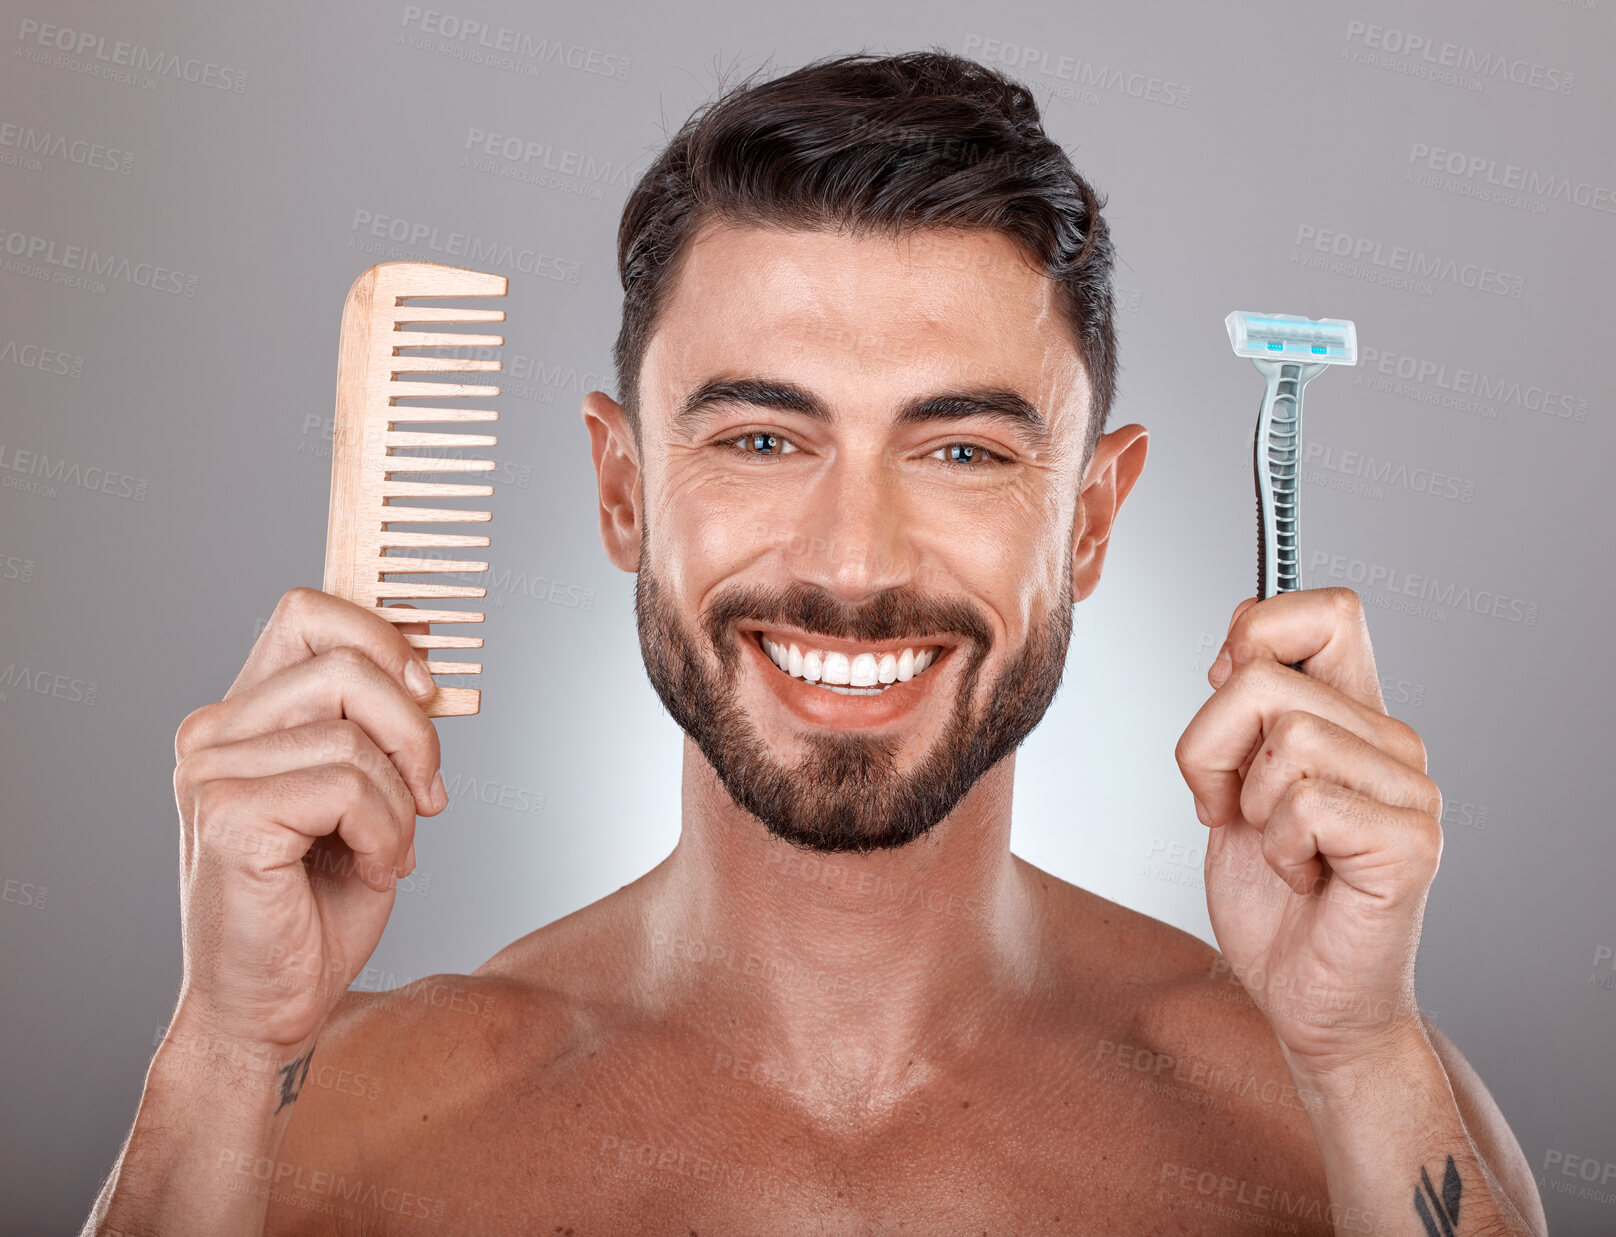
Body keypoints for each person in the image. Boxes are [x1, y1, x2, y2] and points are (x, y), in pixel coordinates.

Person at [84, 50, 1545, 1236]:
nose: (855, 561)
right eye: (764, 435)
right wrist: (224, 1047)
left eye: (963, 451)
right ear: (622, 490)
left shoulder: (1343, 1120)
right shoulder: (337, 1130)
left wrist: (1360, 1063)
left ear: (1091, 521)